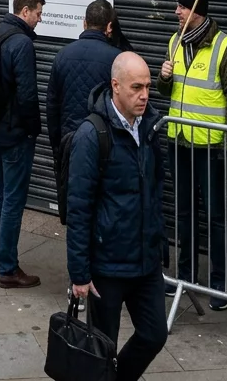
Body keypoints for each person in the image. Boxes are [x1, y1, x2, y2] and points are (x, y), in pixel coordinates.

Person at [69, 52, 168, 381]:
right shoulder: (91, 135)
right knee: (102, 348)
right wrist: (80, 273)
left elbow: (154, 192)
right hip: (107, 265)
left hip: (145, 260)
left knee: (155, 334)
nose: (144, 95)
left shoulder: (151, 127)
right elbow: (79, 206)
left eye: (148, 87)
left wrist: (158, 244)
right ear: (115, 86)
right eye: (136, 87)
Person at [157, 0, 227, 310]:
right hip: (179, 142)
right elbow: (168, 93)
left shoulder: (225, 47)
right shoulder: (174, 42)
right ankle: (186, 277)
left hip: (212, 147)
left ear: (196, 10)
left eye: (181, 7)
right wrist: (164, 77)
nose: (176, 12)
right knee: (184, 213)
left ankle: (220, 284)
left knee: (216, 217)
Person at [0, 0, 43, 287]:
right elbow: (28, 95)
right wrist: (33, 128)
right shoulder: (22, 44)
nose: (39, 20)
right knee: (13, 201)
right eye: (38, 14)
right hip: (15, 131)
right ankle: (7, 268)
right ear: (25, 11)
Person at [47, 0, 128, 163]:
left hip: (69, 141)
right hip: (105, 144)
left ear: (84, 23)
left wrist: (57, 145)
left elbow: (52, 105)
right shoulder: (117, 59)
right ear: (109, 27)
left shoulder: (62, 55)